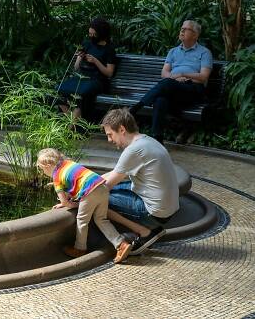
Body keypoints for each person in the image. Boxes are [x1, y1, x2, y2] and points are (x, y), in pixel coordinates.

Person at [101, 108, 180, 255]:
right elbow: (114, 174)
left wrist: (75, 196)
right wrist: (85, 180)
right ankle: (152, 229)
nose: (109, 140)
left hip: (155, 213)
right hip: (167, 208)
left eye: (110, 135)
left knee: (97, 199)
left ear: (122, 129)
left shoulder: (134, 150)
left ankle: (144, 232)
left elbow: (105, 187)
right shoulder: (147, 140)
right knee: (111, 188)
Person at [37, 148, 132, 264]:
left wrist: (76, 205)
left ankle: (79, 249)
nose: (43, 172)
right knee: (101, 219)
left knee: (82, 220)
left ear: (47, 165)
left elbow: (66, 203)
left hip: (90, 192)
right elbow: (75, 180)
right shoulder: (68, 163)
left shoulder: (56, 177)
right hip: (102, 186)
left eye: (42, 169)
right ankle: (121, 244)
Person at [130, 20, 212, 143]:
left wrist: (183, 74)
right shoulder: (173, 51)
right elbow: (164, 73)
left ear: (195, 35)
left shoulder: (204, 52)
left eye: (186, 29)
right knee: (160, 100)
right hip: (175, 88)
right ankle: (157, 139)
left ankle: (135, 109)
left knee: (168, 83)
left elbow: (204, 76)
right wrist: (176, 78)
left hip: (193, 89)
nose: (182, 31)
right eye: (182, 28)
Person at [57, 17, 116, 120]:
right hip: (82, 77)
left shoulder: (109, 49)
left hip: (98, 80)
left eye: (94, 35)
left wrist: (95, 61)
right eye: (90, 34)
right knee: (58, 90)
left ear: (102, 34)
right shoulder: (87, 43)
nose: (91, 36)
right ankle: (73, 125)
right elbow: (76, 67)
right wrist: (80, 57)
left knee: (80, 95)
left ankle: (70, 129)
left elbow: (109, 73)